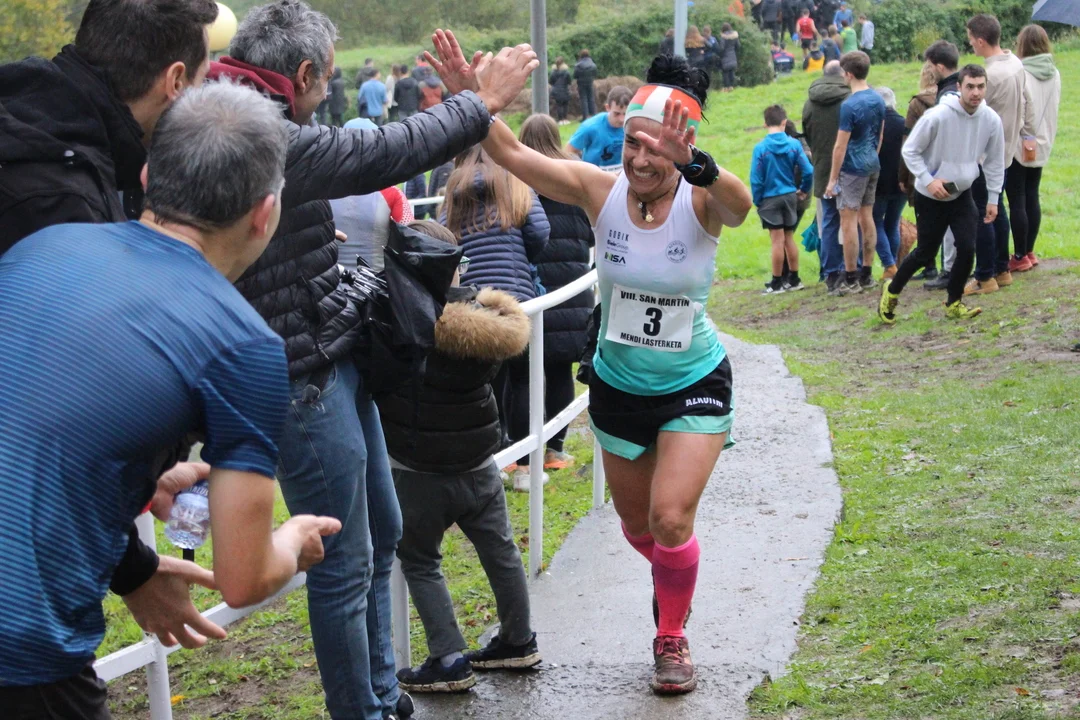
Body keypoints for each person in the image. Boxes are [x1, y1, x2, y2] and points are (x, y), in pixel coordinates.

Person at [212, 12, 539, 719]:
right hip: (300, 377)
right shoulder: (252, 128)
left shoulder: (247, 113)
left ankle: (383, 692)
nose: (326, 94)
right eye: (326, 79)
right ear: (303, 75)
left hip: (332, 355)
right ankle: (361, 709)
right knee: (343, 559)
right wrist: (478, 102)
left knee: (383, 531)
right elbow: (381, 152)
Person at [0, 80, 343, 720]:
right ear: (265, 213)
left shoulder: (40, 247)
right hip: (22, 654)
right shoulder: (243, 345)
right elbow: (243, 577)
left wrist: (137, 482)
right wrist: (292, 539)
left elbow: (35, 424)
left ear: (148, 176)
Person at [456, 41, 753, 693]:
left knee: (670, 518)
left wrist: (698, 167)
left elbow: (740, 204)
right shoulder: (601, 190)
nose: (642, 159)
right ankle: (673, 577)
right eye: (633, 144)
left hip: (693, 381)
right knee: (639, 526)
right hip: (617, 384)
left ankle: (670, 635)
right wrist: (472, 98)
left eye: (658, 149)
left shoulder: (700, 198)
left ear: (683, 149)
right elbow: (513, 154)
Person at [0, 0, 250, 648]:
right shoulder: (52, 194)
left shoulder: (44, 132)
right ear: (174, 81)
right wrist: (134, 569)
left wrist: (143, 476)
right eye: (200, 82)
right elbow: (43, 418)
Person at [384, 220, 539, 695]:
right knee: (501, 551)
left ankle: (449, 658)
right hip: (478, 463)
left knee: (420, 561)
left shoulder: (397, 320)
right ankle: (519, 639)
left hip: (416, 469)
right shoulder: (486, 330)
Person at [440, 146, 550, 490]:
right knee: (525, 380)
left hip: (476, 302)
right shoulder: (515, 180)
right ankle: (526, 469)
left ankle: (494, 461)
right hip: (517, 300)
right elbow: (540, 232)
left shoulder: (453, 187)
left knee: (486, 384)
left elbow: (443, 242)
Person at [879, 64, 1004, 324]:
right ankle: (891, 292)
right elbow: (910, 151)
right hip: (930, 196)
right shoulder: (937, 116)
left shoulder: (991, 119)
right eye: (970, 86)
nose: (976, 92)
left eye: (981, 86)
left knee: (967, 248)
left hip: (962, 192)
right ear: (959, 87)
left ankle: (953, 302)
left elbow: (995, 161)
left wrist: (993, 198)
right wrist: (928, 180)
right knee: (926, 252)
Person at [519, 114, 597, 470]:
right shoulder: (575, 179)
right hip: (570, 291)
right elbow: (593, 232)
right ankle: (555, 450)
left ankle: (520, 454)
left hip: (528, 288)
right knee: (560, 369)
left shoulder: (516, 178)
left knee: (521, 373)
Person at [965, 13, 1034, 296]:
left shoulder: (989, 76)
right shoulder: (1015, 63)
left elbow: (973, 113)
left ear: (981, 41)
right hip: (1007, 150)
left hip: (985, 154)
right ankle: (1002, 269)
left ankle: (985, 276)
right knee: (998, 208)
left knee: (982, 213)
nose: (970, 44)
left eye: (971, 39)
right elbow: (1027, 103)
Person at [900, 41, 961, 288]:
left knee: (930, 224)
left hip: (930, 171)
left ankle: (935, 268)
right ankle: (954, 267)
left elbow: (908, 144)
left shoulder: (920, 103)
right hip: (957, 170)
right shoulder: (961, 92)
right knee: (955, 222)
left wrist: (905, 177)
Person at [824, 51, 885, 294]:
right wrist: (873, 156)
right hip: (872, 163)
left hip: (852, 169)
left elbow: (840, 146)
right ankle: (867, 274)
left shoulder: (849, 106)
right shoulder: (878, 98)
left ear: (848, 74)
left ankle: (851, 278)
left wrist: (832, 179)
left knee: (848, 221)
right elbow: (879, 135)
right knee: (867, 217)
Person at [1009, 24, 1060, 271]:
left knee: (1017, 198)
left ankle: (1019, 256)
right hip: (1043, 141)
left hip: (1021, 143)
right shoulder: (1055, 73)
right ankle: (1029, 251)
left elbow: (1022, 113)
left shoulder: (1021, 74)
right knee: (1032, 194)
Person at [752, 104, 814, 294]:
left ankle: (777, 282)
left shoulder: (760, 148)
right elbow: (808, 170)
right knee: (788, 238)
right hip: (790, 196)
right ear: (784, 122)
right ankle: (794, 279)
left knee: (777, 241)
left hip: (770, 198)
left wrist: (758, 200)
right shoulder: (794, 145)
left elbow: (756, 179)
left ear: (765, 124)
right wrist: (803, 190)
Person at [802, 60, 850, 290]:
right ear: (843, 74)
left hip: (822, 168)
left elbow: (807, 135)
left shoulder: (810, 102)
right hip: (850, 166)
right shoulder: (850, 98)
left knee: (829, 220)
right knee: (851, 218)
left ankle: (831, 273)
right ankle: (852, 269)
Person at [872, 87, 905, 278]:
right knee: (892, 224)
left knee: (875, 222)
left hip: (879, 183)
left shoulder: (875, 125)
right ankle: (892, 266)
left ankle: (889, 264)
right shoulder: (904, 123)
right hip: (901, 182)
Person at [567, 85, 632, 170]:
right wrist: (582, 169)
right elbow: (568, 151)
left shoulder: (633, 126)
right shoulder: (591, 127)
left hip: (623, 173)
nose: (621, 119)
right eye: (617, 114)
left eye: (625, 114)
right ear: (608, 108)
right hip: (594, 174)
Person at [574, 49, 598, 119]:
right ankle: (593, 115)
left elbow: (575, 75)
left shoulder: (578, 65)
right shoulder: (593, 64)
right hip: (590, 82)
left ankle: (585, 116)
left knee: (583, 99)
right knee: (591, 98)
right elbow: (595, 74)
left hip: (581, 83)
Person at [549, 56, 573, 124]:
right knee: (565, 105)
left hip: (556, 91)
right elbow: (569, 82)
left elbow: (551, 82)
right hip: (565, 90)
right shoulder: (566, 72)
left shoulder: (553, 72)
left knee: (559, 105)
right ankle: (565, 119)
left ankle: (560, 120)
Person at [719, 23, 741, 92]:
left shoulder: (723, 37)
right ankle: (731, 86)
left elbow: (721, 48)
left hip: (725, 57)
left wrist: (720, 54)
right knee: (731, 72)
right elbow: (738, 46)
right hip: (733, 56)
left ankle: (726, 87)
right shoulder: (735, 36)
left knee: (725, 73)